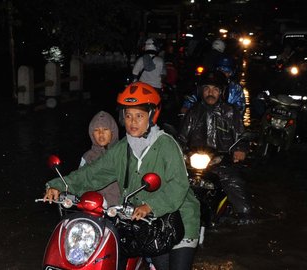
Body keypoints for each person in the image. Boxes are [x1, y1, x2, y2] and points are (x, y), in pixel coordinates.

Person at [43, 82, 200, 270]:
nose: (133, 122)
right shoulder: (121, 149)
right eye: (128, 116)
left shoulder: (166, 145)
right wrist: (58, 186)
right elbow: (92, 173)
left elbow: (179, 185)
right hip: (146, 223)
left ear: (151, 116)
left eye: (139, 116)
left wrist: (150, 205)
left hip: (177, 220)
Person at [177, 71, 253, 225]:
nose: (210, 93)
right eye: (207, 89)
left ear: (222, 92)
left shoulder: (231, 112)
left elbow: (241, 137)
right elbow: (181, 138)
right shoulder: (193, 112)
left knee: (234, 181)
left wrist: (241, 150)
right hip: (193, 161)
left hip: (221, 162)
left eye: (215, 89)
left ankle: (243, 215)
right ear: (201, 91)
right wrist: (176, 150)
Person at [79, 110, 120, 207]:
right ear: (92, 134)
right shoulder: (87, 157)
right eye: (96, 130)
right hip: (93, 208)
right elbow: (79, 181)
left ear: (112, 132)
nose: (101, 134)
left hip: (117, 210)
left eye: (105, 129)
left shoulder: (122, 154)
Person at [180, 56, 245, 115]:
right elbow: (191, 100)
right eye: (221, 70)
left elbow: (240, 108)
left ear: (231, 73)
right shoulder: (205, 83)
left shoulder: (236, 88)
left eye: (227, 71)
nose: (223, 74)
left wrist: (225, 114)